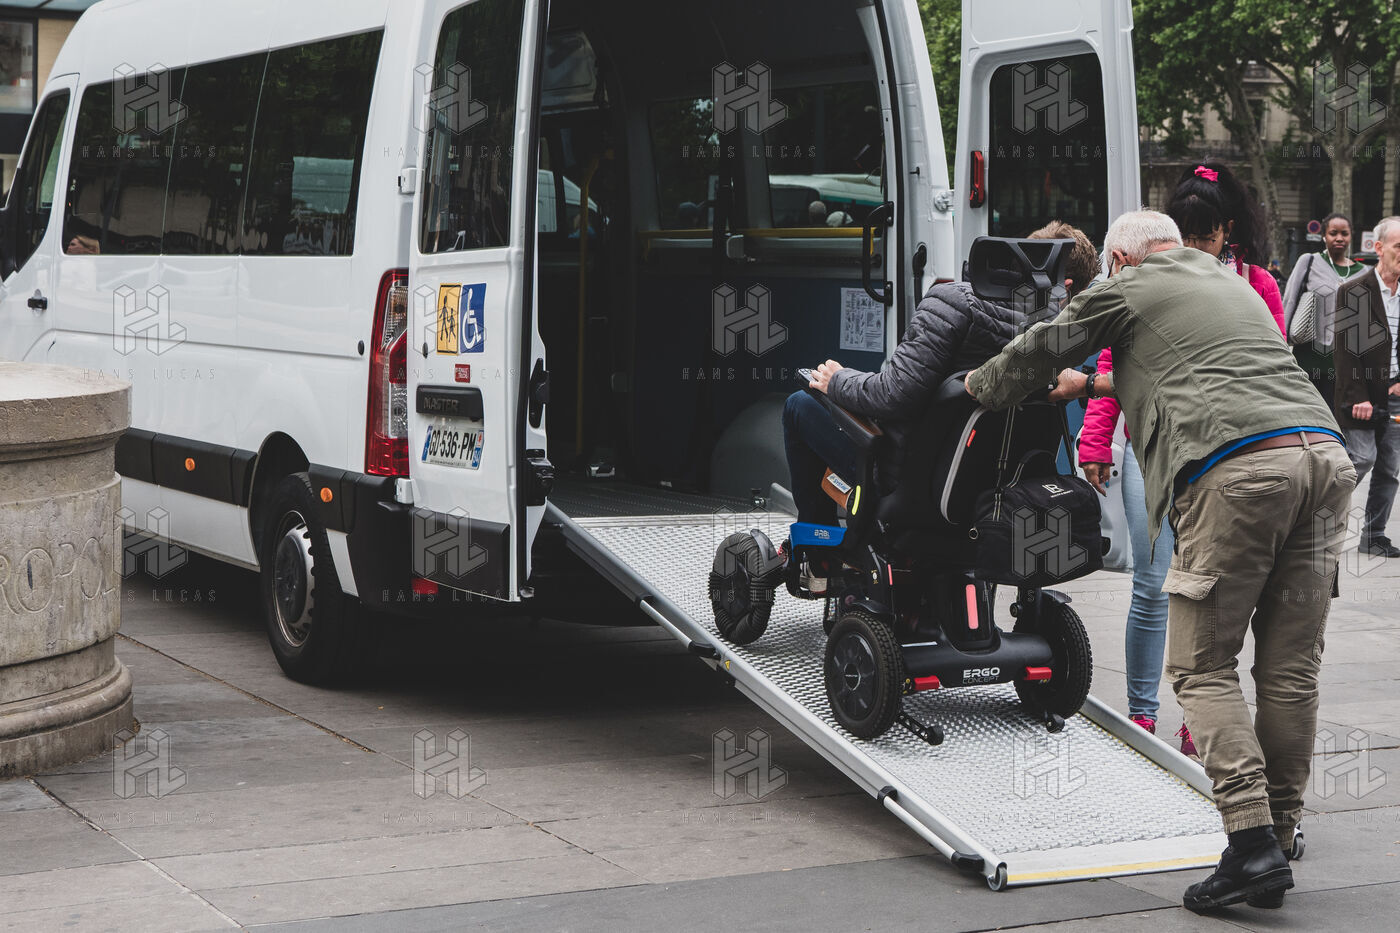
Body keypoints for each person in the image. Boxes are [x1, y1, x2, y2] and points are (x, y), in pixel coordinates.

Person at [965, 210, 1355, 914]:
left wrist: (975, 389)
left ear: (1120, 259)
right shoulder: (1227, 281)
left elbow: (1039, 350)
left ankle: (1249, 841)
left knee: (1201, 665)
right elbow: (1194, 369)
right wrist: (1090, 388)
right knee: (1290, 671)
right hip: (1323, 461)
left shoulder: (1130, 285)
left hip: (1238, 472)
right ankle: (1278, 834)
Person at [1078, 162, 1284, 758]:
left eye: (1206, 236)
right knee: (1150, 586)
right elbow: (1115, 364)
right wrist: (1096, 440)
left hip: (1223, 459)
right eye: (1186, 235)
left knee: (1211, 592)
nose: (1196, 247)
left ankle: (1201, 714)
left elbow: (1270, 368)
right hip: (1151, 453)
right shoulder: (1144, 281)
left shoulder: (1255, 285)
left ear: (1227, 231)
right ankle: (1142, 714)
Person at [782, 222, 1100, 594]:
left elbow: (892, 395)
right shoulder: (1060, 336)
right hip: (990, 489)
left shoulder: (953, 302)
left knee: (801, 404)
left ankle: (819, 557)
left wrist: (837, 380)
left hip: (908, 477)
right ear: (1068, 285)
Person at [1333, 215, 1400, 558]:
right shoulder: (1355, 291)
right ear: (1379, 248)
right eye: (1399, 246)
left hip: (1396, 396)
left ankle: (1373, 536)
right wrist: (1359, 396)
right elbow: (1347, 353)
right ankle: (1316, 523)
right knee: (1360, 458)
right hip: (1362, 395)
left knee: (1390, 468)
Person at [1283, 212, 1367, 407]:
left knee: (1334, 416)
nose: (1339, 238)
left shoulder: (1364, 273)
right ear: (1324, 236)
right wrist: (1281, 344)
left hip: (1344, 364)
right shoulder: (1309, 261)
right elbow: (1289, 301)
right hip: (1307, 357)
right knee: (1305, 412)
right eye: (1333, 233)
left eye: (1344, 233)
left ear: (1351, 236)